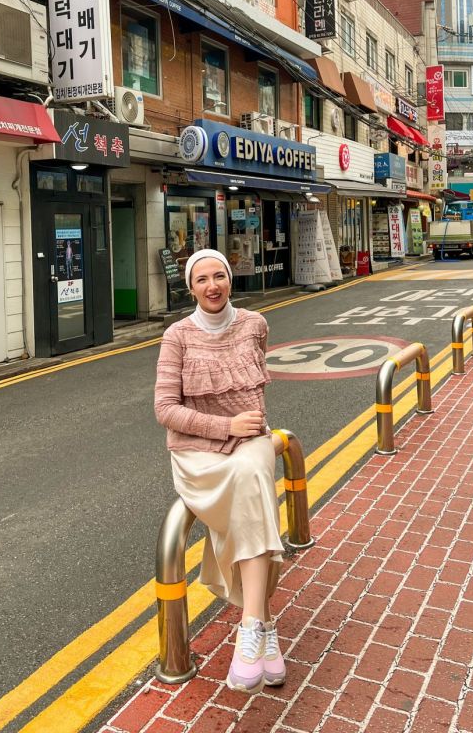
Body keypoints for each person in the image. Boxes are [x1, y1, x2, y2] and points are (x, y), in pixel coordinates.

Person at [154, 249, 286, 694]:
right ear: (190, 288)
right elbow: (164, 409)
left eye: (219, 277)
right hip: (198, 454)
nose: (212, 286)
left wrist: (241, 428)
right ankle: (265, 627)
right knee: (255, 500)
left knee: (252, 477)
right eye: (202, 279)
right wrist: (222, 426)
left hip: (251, 442)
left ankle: (249, 626)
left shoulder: (255, 324)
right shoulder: (177, 336)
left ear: (230, 280)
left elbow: (258, 376)